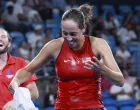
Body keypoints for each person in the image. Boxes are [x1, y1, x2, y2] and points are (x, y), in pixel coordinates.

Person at [9, 4, 124, 110]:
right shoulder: (54, 46)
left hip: (93, 107)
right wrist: (15, 81)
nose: (68, 38)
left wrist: (103, 70)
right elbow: (28, 70)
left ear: (83, 28)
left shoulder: (98, 44)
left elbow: (120, 81)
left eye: (73, 34)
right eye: (65, 33)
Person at [0, 28, 39, 110]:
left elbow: (34, 93)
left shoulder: (20, 63)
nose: (0, 39)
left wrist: (16, 102)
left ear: (9, 43)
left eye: (3, 36)